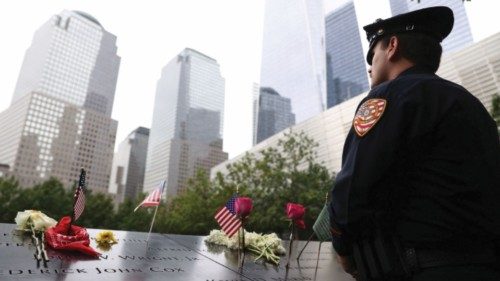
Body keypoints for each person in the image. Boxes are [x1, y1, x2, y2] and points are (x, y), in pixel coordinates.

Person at [328, 6, 500, 281]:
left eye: (373, 54)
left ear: (392, 46)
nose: (370, 65)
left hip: (423, 269)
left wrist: (343, 248)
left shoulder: (387, 96)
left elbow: (354, 189)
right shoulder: (470, 104)